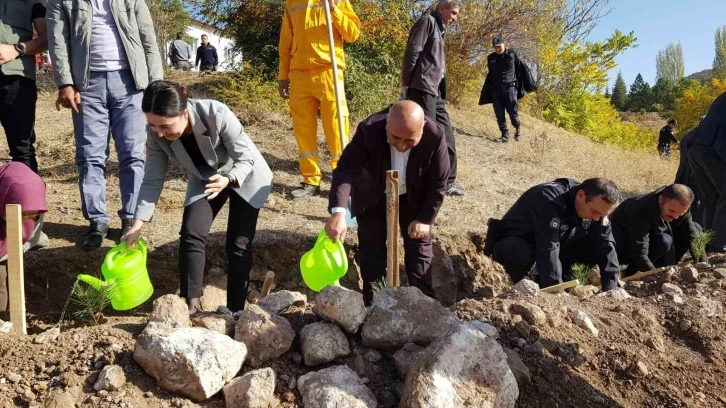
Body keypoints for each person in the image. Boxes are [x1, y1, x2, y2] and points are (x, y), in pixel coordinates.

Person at [122, 81, 273, 314]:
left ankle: (235, 311)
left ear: (184, 113)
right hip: (206, 177)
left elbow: (245, 158)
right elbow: (152, 179)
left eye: (165, 126)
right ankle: (192, 307)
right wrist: (137, 224)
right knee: (191, 233)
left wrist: (229, 179)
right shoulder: (156, 133)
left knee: (238, 243)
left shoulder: (216, 113)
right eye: (152, 125)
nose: (159, 132)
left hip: (245, 173)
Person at [47, 0, 163, 250]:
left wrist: (156, 86)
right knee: (90, 156)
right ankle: (97, 221)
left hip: (132, 84)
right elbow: (57, 41)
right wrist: (65, 83)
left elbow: (148, 40)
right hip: (86, 86)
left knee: (133, 155)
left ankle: (132, 219)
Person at [324, 101, 449, 304]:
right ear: (386, 125)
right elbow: (346, 170)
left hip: (413, 195)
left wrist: (425, 219)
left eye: (410, 141)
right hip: (374, 194)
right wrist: (338, 212)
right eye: (395, 138)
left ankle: (424, 307)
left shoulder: (435, 135)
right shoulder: (369, 129)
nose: (401, 146)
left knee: (419, 252)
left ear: (422, 128)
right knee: (372, 251)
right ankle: (375, 305)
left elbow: (439, 182)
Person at [278, 0, 361, 200]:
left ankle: (341, 178)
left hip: (328, 70)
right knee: (303, 129)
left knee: (336, 126)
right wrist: (283, 76)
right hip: (299, 73)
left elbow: (353, 33)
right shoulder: (291, 2)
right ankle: (310, 180)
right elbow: (286, 41)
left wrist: (333, 10)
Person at [484, 178, 622, 291]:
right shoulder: (549, 198)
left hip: (553, 245)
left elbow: (606, 245)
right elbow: (548, 246)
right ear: (580, 196)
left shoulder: (597, 208)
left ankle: (564, 283)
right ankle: (523, 286)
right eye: (594, 213)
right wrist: (556, 291)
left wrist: (611, 288)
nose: (597, 218)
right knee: (518, 250)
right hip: (517, 243)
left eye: (602, 215)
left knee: (592, 246)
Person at [402, 0, 464, 197]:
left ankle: (447, 182)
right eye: (453, 13)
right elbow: (413, 51)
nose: (455, 18)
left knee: (446, 135)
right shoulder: (427, 22)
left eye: (456, 14)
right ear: (442, 9)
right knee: (426, 137)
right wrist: (406, 83)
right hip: (421, 87)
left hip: (435, 92)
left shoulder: (440, 30)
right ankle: (417, 183)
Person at [610, 184, 705, 277]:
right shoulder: (640, 209)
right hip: (621, 248)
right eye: (672, 211)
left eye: (681, 213)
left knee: (696, 228)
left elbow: (691, 232)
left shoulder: (678, 206)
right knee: (664, 240)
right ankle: (631, 272)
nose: (676, 216)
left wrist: (703, 264)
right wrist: (655, 275)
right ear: (660, 200)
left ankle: (667, 267)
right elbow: (639, 250)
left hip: (649, 242)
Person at [0, 0, 48, 174]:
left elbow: (47, 39)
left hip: (17, 78)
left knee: (22, 150)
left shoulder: (34, 2)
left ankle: (27, 199)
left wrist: (17, 49)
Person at [0, 162, 47, 321]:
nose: (25, 219)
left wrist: (11, 252)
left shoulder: (37, 209)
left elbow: (30, 241)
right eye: (21, 214)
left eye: (30, 215)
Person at [687, 91, 726, 253]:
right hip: (714, 150)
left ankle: (707, 245)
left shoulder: (722, 97)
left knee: (710, 199)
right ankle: (719, 246)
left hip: (697, 148)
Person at [479, 37, 536, 143]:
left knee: (513, 113)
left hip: (510, 89)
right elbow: (491, 73)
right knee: (499, 113)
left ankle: (517, 128)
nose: (497, 49)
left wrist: (528, 84)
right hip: (496, 90)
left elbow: (521, 68)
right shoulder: (491, 58)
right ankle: (504, 135)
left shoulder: (512, 54)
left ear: (504, 45)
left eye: (499, 47)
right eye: (495, 47)